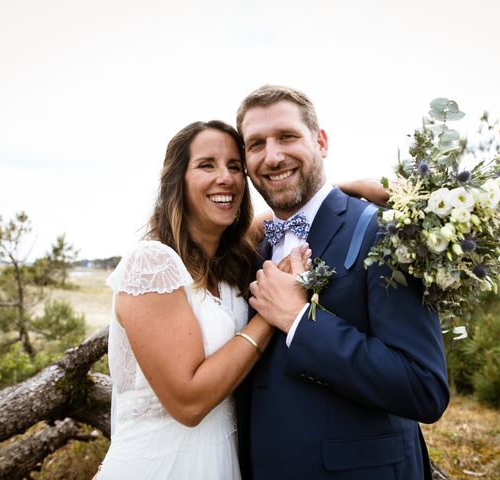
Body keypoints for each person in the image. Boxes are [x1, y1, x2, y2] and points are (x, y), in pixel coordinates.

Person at [95, 119, 387, 479]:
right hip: (162, 465)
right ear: (177, 180)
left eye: (235, 166)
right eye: (207, 165)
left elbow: (286, 213)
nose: (226, 178)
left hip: (223, 462)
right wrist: (273, 309)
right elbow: (189, 403)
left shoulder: (230, 257)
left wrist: (341, 189)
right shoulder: (152, 263)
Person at [236, 85, 450, 479]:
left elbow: (423, 387)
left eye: (287, 136)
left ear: (321, 142)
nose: (273, 155)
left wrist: (300, 320)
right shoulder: (252, 247)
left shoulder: (384, 229)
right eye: (256, 144)